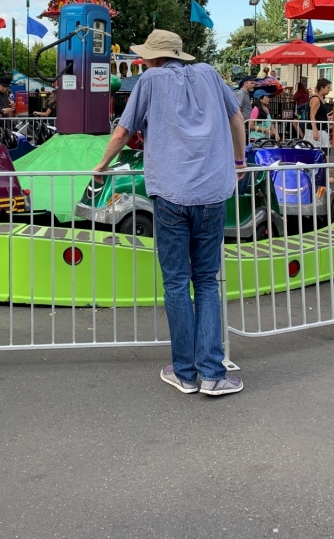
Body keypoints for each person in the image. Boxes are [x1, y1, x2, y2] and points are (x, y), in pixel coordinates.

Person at [93, 29, 247, 397]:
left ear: (153, 57)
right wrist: (240, 162)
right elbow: (237, 119)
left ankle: (185, 373)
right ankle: (213, 373)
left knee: (177, 282)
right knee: (206, 281)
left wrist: (101, 165)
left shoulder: (150, 80)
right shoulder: (210, 74)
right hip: (212, 193)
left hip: (172, 193)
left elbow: (123, 132)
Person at [307, 78, 334, 148]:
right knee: (320, 149)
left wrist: (328, 117)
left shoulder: (321, 98)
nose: (329, 90)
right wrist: (315, 131)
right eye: (328, 87)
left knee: (325, 149)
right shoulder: (316, 99)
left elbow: (319, 114)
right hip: (316, 129)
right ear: (322, 87)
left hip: (322, 129)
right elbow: (312, 116)